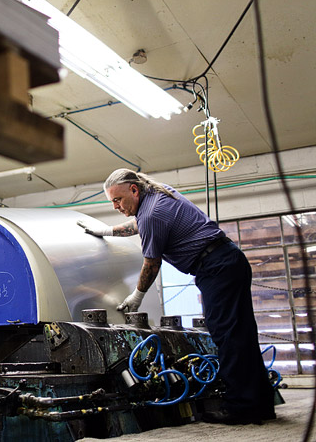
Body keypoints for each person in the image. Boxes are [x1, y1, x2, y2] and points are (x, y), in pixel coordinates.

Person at [77, 168, 274, 425]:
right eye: (112, 202)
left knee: (227, 336)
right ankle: (261, 404)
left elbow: (151, 263)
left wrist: (137, 296)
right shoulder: (157, 199)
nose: (115, 206)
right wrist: (106, 232)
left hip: (217, 268)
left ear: (133, 190)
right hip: (226, 262)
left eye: (118, 200)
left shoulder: (152, 213)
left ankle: (241, 407)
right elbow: (137, 225)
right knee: (240, 335)